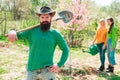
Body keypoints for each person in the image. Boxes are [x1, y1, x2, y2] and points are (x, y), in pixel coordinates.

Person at [8, 6, 69, 80]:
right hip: (31, 70)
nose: (44, 20)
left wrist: (59, 64)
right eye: (42, 17)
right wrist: (12, 31)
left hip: (48, 71)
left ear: (51, 18)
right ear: (39, 18)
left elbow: (65, 49)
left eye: (47, 17)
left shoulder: (55, 34)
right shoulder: (31, 31)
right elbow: (15, 36)